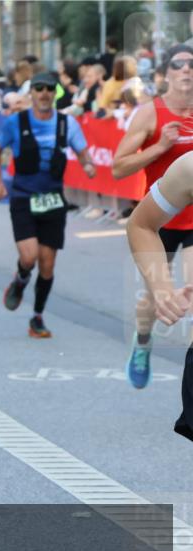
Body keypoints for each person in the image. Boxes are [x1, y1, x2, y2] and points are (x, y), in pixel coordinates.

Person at [0, 71, 97, 338]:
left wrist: (87, 165)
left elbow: (83, 154)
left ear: (55, 94)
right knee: (29, 257)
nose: (44, 94)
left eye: (50, 89)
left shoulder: (67, 124)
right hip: (24, 197)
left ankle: (37, 316)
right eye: (39, 89)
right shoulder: (16, 122)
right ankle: (21, 279)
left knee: (47, 265)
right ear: (31, 94)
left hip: (52, 199)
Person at [113, 44, 193, 388]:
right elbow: (119, 167)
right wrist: (159, 147)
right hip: (158, 222)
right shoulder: (150, 113)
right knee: (154, 298)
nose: (187, 70)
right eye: (179, 64)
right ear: (166, 73)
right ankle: (143, 342)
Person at [126, 153, 193, 440]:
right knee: (154, 301)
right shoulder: (190, 166)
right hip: (171, 221)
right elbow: (140, 224)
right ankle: (143, 338)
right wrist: (162, 287)